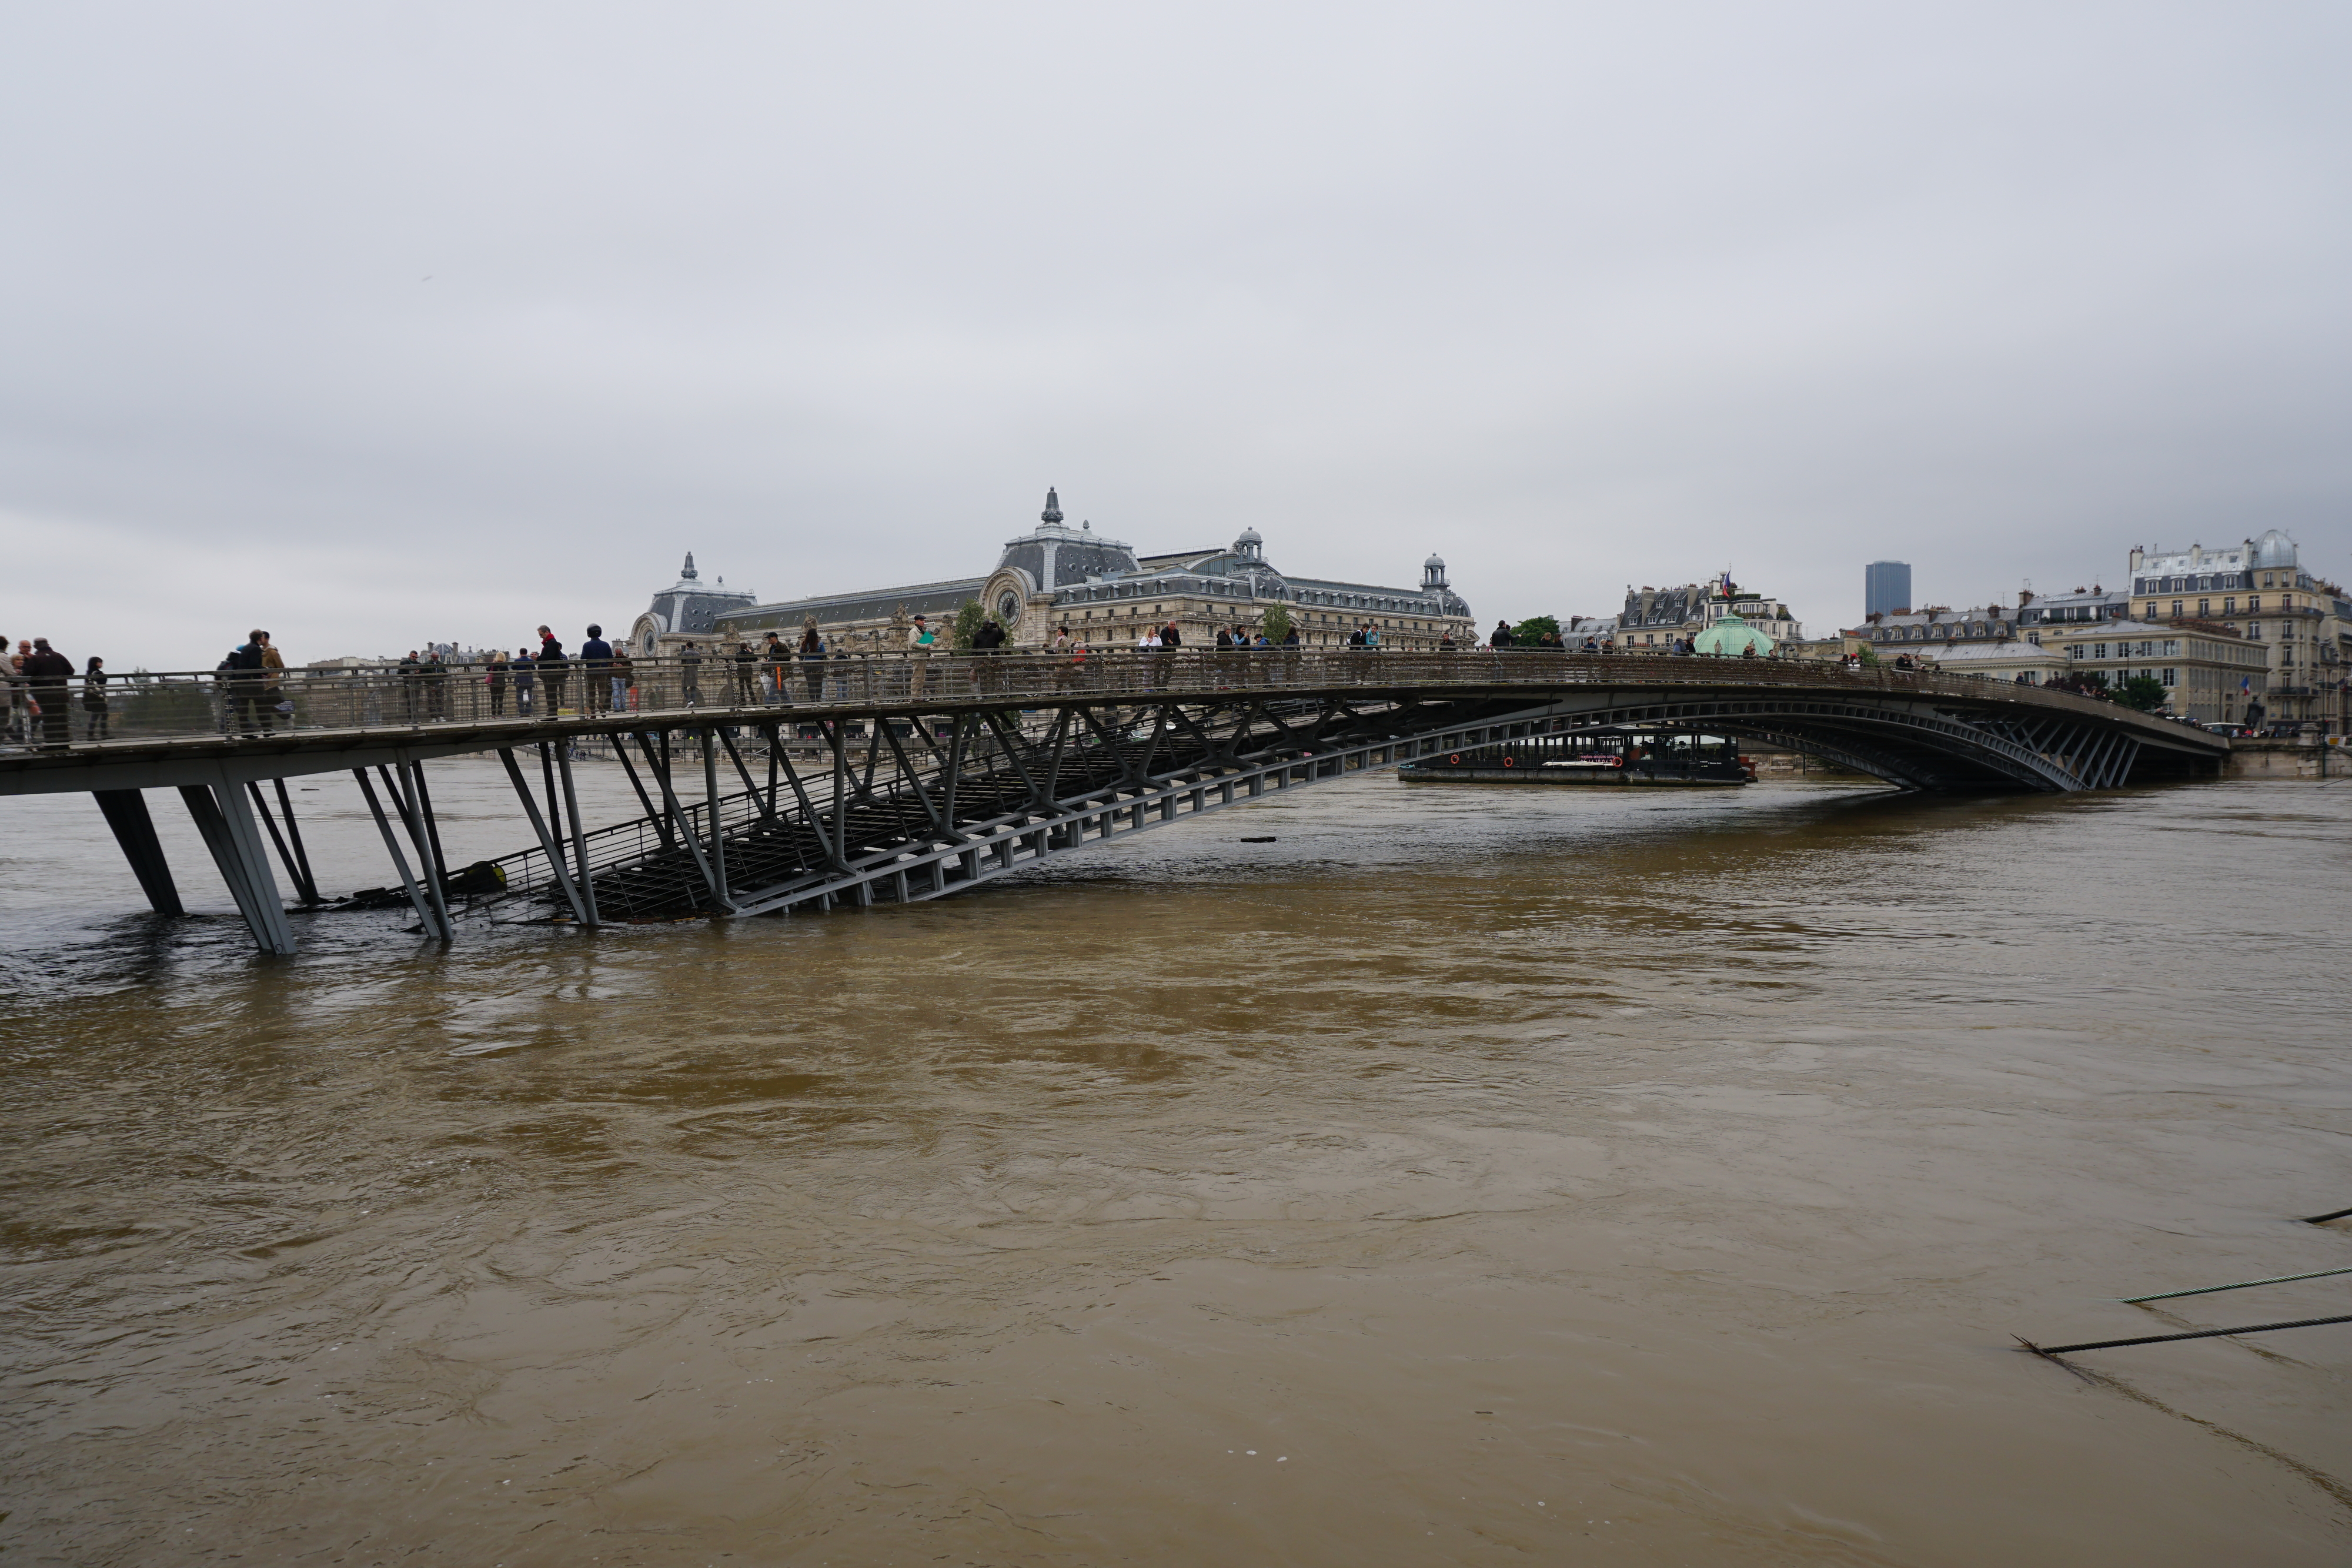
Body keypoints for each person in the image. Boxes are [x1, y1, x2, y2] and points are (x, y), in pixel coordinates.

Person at [21, 638, 74, 748]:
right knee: (62, 718)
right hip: (61, 692)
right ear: (48, 645)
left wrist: (27, 663)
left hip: (44, 695)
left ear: (35, 647)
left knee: (49, 719)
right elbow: (71, 671)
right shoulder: (59, 656)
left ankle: (51, 745)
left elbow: (27, 675)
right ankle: (65, 744)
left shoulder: (36, 659)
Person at [224, 631, 273, 736]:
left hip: (241, 681)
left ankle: (245, 732)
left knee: (243, 708)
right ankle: (266, 730)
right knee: (261, 706)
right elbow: (253, 665)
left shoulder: (246, 647)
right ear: (260, 638)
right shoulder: (256, 649)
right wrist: (264, 669)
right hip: (253, 682)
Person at [580, 624, 613, 715]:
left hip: (591, 671)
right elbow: (611, 658)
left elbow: (583, 659)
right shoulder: (606, 645)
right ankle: (601, 703)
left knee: (591, 692)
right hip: (603, 671)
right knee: (602, 690)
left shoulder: (586, 645)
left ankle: (593, 713)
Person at [536, 627, 569, 716]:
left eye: (541, 634)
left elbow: (549, 658)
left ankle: (552, 714)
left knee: (551, 694)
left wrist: (537, 658)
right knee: (550, 694)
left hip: (550, 673)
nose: (540, 636)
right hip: (549, 673)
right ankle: (551, 713)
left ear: (547, 632)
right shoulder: (551, 642)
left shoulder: (551, 643)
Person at [81, 655, 111, 741]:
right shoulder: (97, 673)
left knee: (96, 715)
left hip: (92, 697)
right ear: (96, 663)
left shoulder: (88, 673)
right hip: (98, 697)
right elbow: (102, 683)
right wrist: (104, 676)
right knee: (102, 715)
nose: (102, 664)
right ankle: (101, 734)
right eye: (100, 662)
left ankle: (92, 735)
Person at [908, 614, 937, 697]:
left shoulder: (920, 631)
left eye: (924, 621)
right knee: (917, 678)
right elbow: (913, 644)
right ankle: (914, 697)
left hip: (922, 657)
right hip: (917, 657)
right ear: (916, 621)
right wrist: (925, 646)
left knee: (921, 678)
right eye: (921, 621)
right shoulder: (913, 631)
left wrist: (927, 646)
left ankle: (918, 696)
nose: (923, 622)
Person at [798, 625, 826, 702]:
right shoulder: (820, 645)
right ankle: (818, 700)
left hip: (808, 666)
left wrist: (801, 665)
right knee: (818, 684)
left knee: (811, 684)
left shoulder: (804, 645)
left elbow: (800, 655)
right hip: (818, 666)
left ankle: (813, 701)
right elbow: (824, 655)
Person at [512, 648, 536, 716]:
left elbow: (513, 668)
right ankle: (528, 713)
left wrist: (518, 659)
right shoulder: (531, 661)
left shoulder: (517, 661)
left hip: (520, 681)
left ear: (520, 653)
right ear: (526, 653)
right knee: (530, 697)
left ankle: (522, 713)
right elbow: (534, 668)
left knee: (520, 697)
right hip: (529, 680)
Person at [486, 648, 509, 716]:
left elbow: (487, 669)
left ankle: (493, 715)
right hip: (501, 683)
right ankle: (500, 714)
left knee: (493, 700)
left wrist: (493, 663)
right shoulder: (505, 665)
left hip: (493, 683)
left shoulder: (494, 664)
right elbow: (507, 671)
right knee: (500, 700)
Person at [735, 640, 760, 704]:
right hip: (748, 671)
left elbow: (736, 660)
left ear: (740, 648)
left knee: (742, 687)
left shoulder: (738, 654)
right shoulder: (748, 654)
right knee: (749, 687)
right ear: (746, 647)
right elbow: (755, 659)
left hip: (741, 671)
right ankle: (754, 702)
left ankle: (743, 702)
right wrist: (751, 652)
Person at [679, 641, 703, 707]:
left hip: (687, 672)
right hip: (695, 672)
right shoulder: (697, 653)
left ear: (687, 646)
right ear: (693, 646)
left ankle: (689, 701)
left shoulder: (685, 653)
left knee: (684, 688)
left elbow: (682, 664)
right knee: (693, 689)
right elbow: (700, 663)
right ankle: (693, 704)